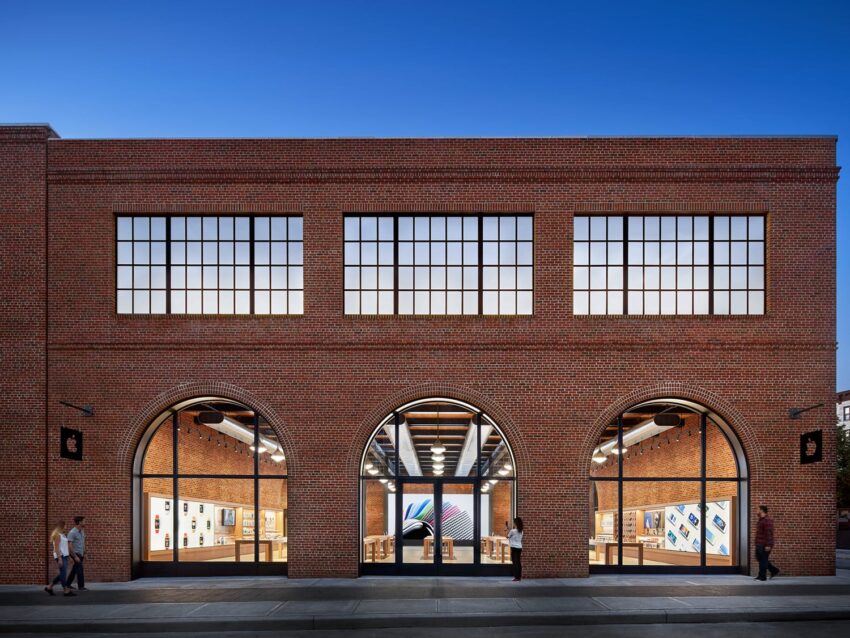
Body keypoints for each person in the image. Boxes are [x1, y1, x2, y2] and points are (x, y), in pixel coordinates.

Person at [45, 521, 75, 596]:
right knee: (63, 573)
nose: (66, 527)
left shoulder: (63, 535)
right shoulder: (57, 535)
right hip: (60, 556)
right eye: (65, 525)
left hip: (65, 556)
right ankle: (65, 590)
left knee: (62, 573)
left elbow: (65, 547)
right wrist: (59, 558)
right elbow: (56, 548)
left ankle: (49, 587)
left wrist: (69, 557)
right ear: (62, 526)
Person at [754, 505, 779, 581]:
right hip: (759, 543)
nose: (756, 511)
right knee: (760, 558)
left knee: (763, 560)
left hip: (764, 544)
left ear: (761, 510)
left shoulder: (767, 520)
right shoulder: (761, 520)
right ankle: (773, 570)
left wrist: (768, 545)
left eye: (757, 509)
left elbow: (769, 534)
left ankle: (762, 577)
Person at [67, 516, 87, 591]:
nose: (85, 523)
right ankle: (81, 586)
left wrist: (85, 552)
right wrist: (75, 556)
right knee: (80, 569)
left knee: (75, 569)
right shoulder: (72, 532)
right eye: (84, 521)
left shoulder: (82, 531)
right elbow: (69, 545)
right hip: (75, 553)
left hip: (81, 553)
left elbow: (83, 542)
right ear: (80, 522)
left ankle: (67, 584)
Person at [505, 516, 524, 582]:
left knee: (515, 562)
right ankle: (519, 577)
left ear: (516, 523)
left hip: (514, 548)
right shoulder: (521, 531)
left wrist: (507, 530)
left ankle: (516, 577)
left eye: (514, 522)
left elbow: (507, 536)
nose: (513, 523)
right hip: (519, 547)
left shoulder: (513, 531)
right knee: (518, 562)